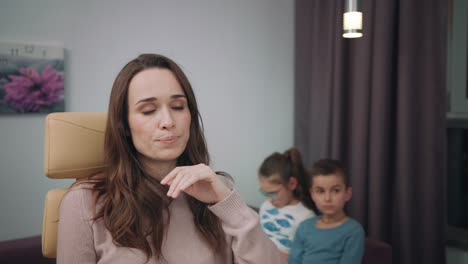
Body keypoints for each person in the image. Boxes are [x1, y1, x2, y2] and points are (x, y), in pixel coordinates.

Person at [56, 54, 281, 264]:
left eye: (177, 106)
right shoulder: (84, 202)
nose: (168, 121)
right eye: (148, 110)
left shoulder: (215, 190)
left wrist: (226, 201)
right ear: (123, 125)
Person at [288, 159, 365, 264]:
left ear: (347, 194)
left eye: (335, 190)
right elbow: (294, 261)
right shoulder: (304, 227)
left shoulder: (353, 231)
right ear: (312, 194)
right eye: (320, 191)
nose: (327, 198)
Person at [257, 148, 317, 262]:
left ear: (291, 184)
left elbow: (306, 256)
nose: (269, 199)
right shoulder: (266, 206)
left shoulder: (306, 217)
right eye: (265, 193)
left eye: (274, 193)